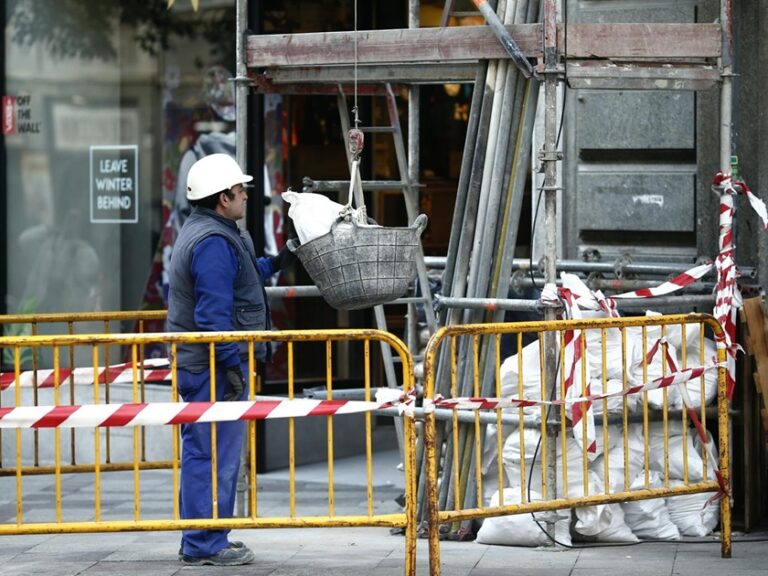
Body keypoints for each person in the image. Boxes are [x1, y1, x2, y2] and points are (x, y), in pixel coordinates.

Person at [167, 153, 292, 566]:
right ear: (223, 197)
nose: (245, 197)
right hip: (212, 368)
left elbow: (242, 275)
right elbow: (212, 319)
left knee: (209, 450)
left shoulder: (214, 232)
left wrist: (278, 261)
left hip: (208, 365)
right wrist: (233, 368)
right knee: (211, 452)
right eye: (240, 191)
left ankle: (206, 537)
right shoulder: (213, 242)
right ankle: (204, 543)